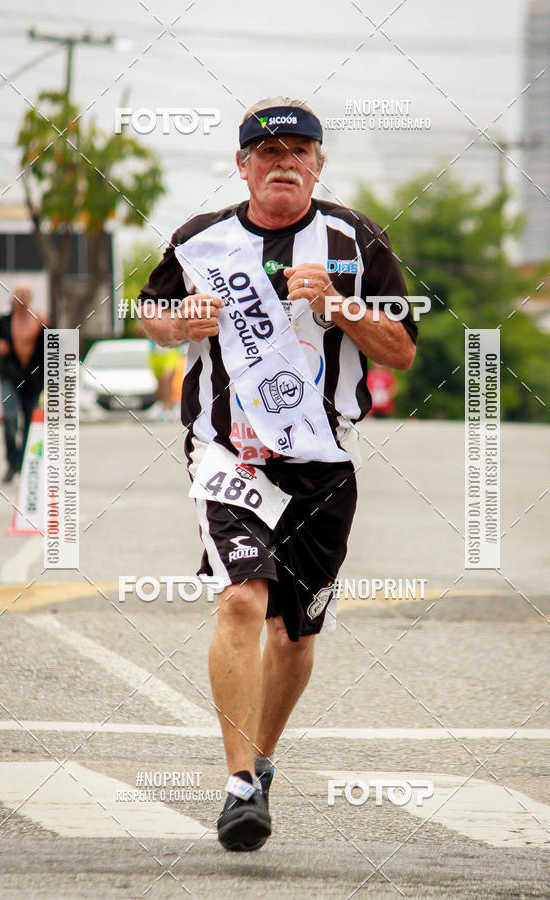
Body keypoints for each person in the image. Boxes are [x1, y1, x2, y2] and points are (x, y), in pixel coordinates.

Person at [138, 97, 417, 852]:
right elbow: (148, 312)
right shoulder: (200, 240)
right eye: (267, 152)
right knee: (240, 600)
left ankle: (259, 763)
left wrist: (342, 306)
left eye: (299, 151)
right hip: (228, 453)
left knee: (293, 637)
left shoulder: (355, 241)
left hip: (324, 465)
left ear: (319, 165)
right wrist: (175, 323)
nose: (283, 162)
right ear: (243, 166)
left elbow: (400, 351)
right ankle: (235, 788)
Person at [0, 283, 48, 483]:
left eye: (25, 294)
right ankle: (12, 460)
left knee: (30, 422)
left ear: (30, 298)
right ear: (13, 297)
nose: (21, 297)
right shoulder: (4, 322)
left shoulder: (40, 321)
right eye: (18, 294)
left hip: (32, 378)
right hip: (9, 376)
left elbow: (55, 346)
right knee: (11, 417)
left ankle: (22, 462)